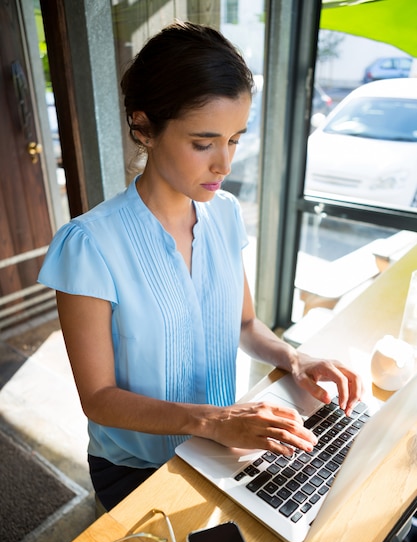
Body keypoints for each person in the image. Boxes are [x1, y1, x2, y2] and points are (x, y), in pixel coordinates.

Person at [38, 21, 363, 512]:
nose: (225, 164)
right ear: (144, 126)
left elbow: (246, 324)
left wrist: (295, 360)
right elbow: (99, 397)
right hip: (137, 467)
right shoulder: (89, 245)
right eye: (203, 142)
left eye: (234, 139)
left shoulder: (225, 214)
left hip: (219, 449)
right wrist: (212, 421)